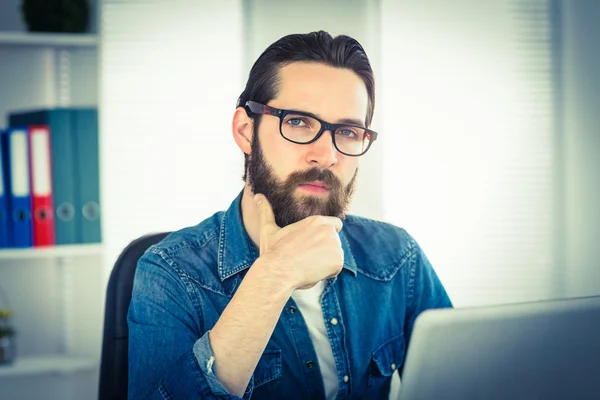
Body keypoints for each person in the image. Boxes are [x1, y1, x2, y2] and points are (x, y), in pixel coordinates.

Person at [128, 30, 452, 400]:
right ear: (246, 130)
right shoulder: (169, 274)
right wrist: (273, 277)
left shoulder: (398, 259)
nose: (326, 155)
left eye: (347, 131)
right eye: (298, 122)